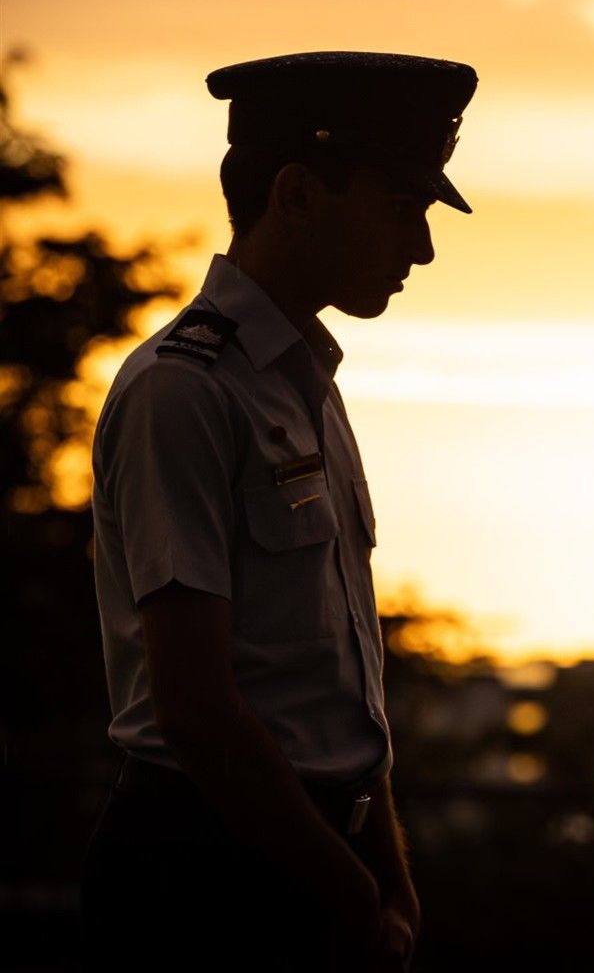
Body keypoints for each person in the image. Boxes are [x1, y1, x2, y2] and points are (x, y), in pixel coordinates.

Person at [82, 50, 478, 971]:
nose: (419, 248)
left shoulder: (305, 385)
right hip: (209, 876)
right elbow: (196, 706)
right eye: (401, 209)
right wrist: (346, 888)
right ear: (297, 193)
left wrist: (386, 870)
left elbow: (335, 680)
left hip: (303, 862)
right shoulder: (182, 391)